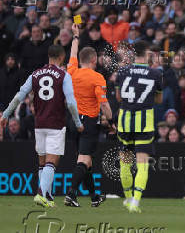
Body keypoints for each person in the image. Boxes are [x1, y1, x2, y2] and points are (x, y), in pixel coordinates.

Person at [0, 44, 83, 207]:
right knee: (52, 161)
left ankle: (48, 196)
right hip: (56, 123)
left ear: (48, 56)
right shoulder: (63, 75)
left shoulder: (35, 74)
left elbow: (19, 96)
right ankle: (41, 193)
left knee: (43, 162)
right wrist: (78, 122)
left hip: (39, 124)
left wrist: (5, 114)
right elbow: (72, 103)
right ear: (61, 57)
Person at [65, 24, 113, 207]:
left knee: (87, 162)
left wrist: (76, 37)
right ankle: (71, 194)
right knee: (84, 160)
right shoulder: (97, 77)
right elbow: (104, 104)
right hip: (88, 122)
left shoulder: (72, 71)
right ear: (94, 60)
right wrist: (111, 121)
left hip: (73, 121)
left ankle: (94, 197)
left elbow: (72, 55)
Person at [116, 40, 163, 213]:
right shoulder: (156, 73)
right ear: (148, 53)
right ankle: (135, 202)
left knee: (125, 163)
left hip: (125, 123)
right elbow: (159, 100)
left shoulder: (122, 71)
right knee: (142, 163)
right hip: (144, 124)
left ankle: (127, 198)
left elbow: (119, 98)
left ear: (133, 53)